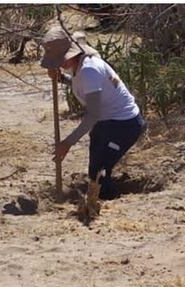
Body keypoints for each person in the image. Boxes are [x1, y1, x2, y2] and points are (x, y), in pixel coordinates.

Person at [41, 26, 145, 216]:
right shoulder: (79, 65)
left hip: (123, 125)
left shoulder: (89, 70)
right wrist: (62, 79)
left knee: (100, 174)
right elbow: (83, 87)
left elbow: (93, 114)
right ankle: (98, 198)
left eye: (60, 60)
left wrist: (67, 143)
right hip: (105, 124)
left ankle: (109, 207)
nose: (58, 64)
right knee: (94, 170)